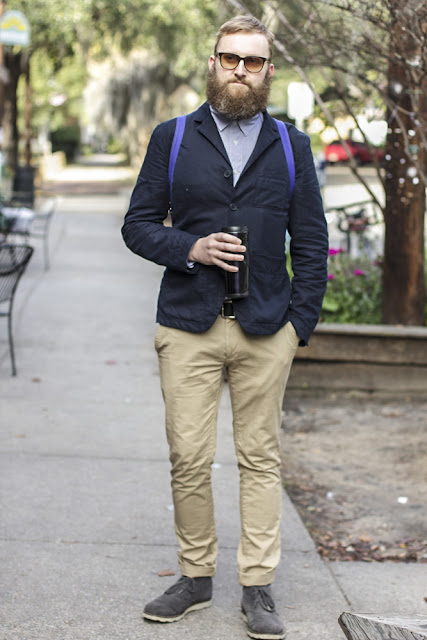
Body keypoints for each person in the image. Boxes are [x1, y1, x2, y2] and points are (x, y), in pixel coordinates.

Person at [122, 15, 328, 640]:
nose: (242, 69)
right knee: (188, 457)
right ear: (212, 63)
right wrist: (191, 248)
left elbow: (313, 243)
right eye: (230, 58)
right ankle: (195, 575)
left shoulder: (292, 146)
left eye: (255, 61)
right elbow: (137, 225)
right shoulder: (174, 137)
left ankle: (258, 586)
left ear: (269, 71)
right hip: (188, 324)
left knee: (260, 459)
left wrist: (300, 327)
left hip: (268, 329)